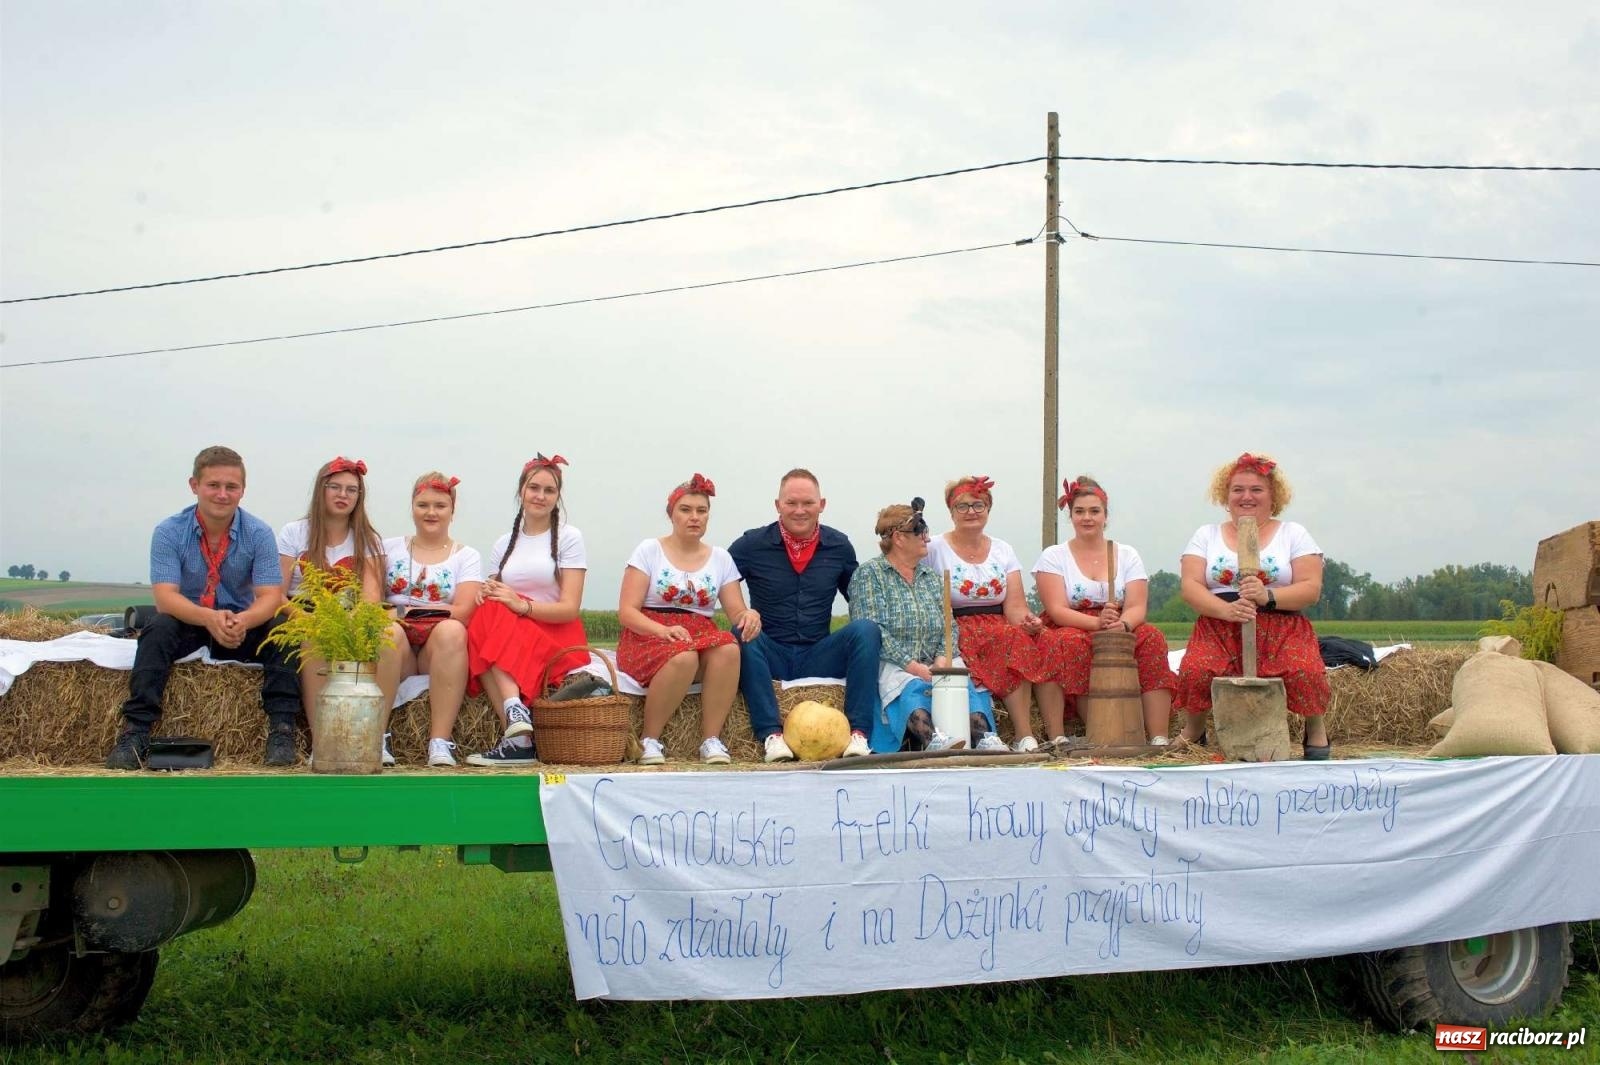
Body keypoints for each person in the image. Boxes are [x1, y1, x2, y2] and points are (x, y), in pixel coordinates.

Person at [106, 446, 301, 769]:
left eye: (231, 487)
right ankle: (135, 731)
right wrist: (209, 618)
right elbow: (165, 598)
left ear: (243, 490)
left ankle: (282, 730)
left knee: (281, 628)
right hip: (191, 621)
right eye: (213, 485)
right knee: (157, 627)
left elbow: (270, 596)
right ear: (194, 485)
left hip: (242, 624)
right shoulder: (169, 532)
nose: (222, 494)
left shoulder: (259, 533)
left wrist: (244, 621)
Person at [1174, 452, 1331, 758]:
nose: (1246, 497)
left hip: (1280, 623)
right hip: (1219, 623)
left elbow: (1311, 589)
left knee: (1305, 671)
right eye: (1238, 490)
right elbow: (1191, 585)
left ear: (1273, 496)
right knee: (1196, 670)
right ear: (1226, 495)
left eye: (1256, 490)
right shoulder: (1205, 535)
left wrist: (1267, 597)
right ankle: (1194, 730)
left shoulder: (1293, 534)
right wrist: (1226, 611)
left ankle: (1315, 731)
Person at [729, 469, 879, 762]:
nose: (800, 510)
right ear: (777, 505)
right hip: (769, 651)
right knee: (742, 630)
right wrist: (743, 610)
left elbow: (860, 597)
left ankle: (858, 734)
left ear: (822, 504)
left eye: (808, 503)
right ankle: (772, 735)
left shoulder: (839, 546)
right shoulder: (751, 544)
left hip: (818, 654)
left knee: (866, 630)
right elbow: (719, 577)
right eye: (791, 503)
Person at [464, 454, 599, 767]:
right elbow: (495, 594)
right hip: (514, 632)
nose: (540, 496)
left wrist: (520, 605)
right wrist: (487, 593)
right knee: (485, 611)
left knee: (494, 617)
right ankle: (517, 721)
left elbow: (569, 608)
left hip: (555, 634)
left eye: (549, 490)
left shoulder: (569, 537)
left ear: (557, 497)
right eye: (534, 487)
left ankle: (517, 730)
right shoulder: (504, 543)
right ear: (521, 491)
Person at [617, 474, 759, 765]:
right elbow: (627, 611)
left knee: (730, 648)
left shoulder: (720, 558)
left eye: (701, 511)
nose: (694, 517)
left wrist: (750, 614)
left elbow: (736, 612)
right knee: (684, 657)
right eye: (686, 510)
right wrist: (663, 630)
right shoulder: (649, 550)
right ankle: (649, 740)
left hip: (698, 633)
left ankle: (711, 739)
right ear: (671, 514)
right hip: (651, 632)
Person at [849, 498, 1005, 753]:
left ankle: (984, 737)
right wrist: (916, 668)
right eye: (920, 532)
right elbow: (875, 630)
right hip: (895, 661)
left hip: (937, 657)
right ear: (899, 538)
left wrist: (943, 657)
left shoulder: (931, 577)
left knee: (962, 682)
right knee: (910, 688)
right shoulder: (869, 575)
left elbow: (949, 625)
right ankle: (933, 739)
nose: (927, 538)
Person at [276, 455, 405, 765]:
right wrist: (308, 619)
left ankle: (376, 737)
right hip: (303, 611)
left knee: (391, 634)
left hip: (353, 613)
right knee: (316, 639)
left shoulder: (368, 539)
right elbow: (276, 594)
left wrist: (349, 624)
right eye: (335, 487)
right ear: (321, 489)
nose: (343, 495)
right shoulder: (294, 533)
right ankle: (325, 740)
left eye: (351, 489)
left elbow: (372, 596)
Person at [1033, 475, 1178, 745]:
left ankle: (1158, 737)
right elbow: (1056, 610)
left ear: (1105, 516)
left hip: (1119, 622)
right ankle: (1094, 733)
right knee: (1066, 643)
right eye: (1079, 511)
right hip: (1072, 623)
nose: (1087, 518)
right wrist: (1098, 624)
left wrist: (1122, 625)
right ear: (1071, 516)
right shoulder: (1054, 556)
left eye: (1094, 511)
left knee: (1152, 639)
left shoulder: (1127, 554)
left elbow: (1137, 605)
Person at [924, 475, 1048, 751]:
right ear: (951, 511)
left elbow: (1015, 606)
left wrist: (1027, 621)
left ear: (988, 510)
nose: (971, 512)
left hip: (999, 623)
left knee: (1030, 640)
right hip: (954, 625)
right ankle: (996, 731)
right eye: (963, 506)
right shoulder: (933, 548)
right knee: (1002, 641)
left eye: (978, 505)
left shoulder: (1003, 549)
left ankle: (1028, 734)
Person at [381, 471, 483, 767]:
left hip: (435, 646)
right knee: (387, 631)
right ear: (412, 506)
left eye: (440, 505)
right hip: (396, 640)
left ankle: (439, 742)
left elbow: (464, 610)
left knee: (453, 630)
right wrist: (406, 614)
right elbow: (373, 604)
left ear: (452, 510)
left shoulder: (466, 555)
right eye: (423, 504)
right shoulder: (388, 548)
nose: (431, 512)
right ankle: (377, 735)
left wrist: (407, 610)